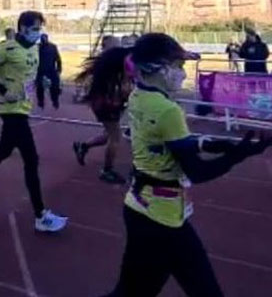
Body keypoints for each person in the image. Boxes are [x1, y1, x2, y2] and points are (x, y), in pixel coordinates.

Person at [106, 32, 271, 296]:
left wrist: (213, 144)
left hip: (143, 208)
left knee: (132, 291)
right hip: (162, 219)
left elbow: (168, 142)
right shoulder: (168, 110)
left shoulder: (139, 96)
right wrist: (239, 154)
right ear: (157, 68)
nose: (182, 74)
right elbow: (197, 171)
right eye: (178, 66)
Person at [0, 11, 68, 232]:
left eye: (40, 28)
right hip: (11, 110)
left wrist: (42, 83)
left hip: (23, 107)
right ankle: (40, 215)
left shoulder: (35, 51)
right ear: (23, 28)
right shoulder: (6, 48)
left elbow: (30, 75)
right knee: (31, 159)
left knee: (3, 151)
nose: (38, 32)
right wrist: (2, 91)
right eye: (35, 28)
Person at [73, 46, 134, 184]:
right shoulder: (115, 75)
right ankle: (107, 170)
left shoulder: (114, 71)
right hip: (107, 105)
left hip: (108, 104)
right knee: (115, 137)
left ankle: (84, 146)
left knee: (109, 134)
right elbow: (124, 90)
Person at [36, 33, 62, 110]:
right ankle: (41, 102)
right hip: (40, 70)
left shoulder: (53, 47)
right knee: (40, 88)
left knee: (55, 87)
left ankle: (55, 101)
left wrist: (59, 69)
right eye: (42, 39)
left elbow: (58, 58)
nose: (43, 40)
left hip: (51, 70)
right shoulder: (37, 47)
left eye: (45, 39)